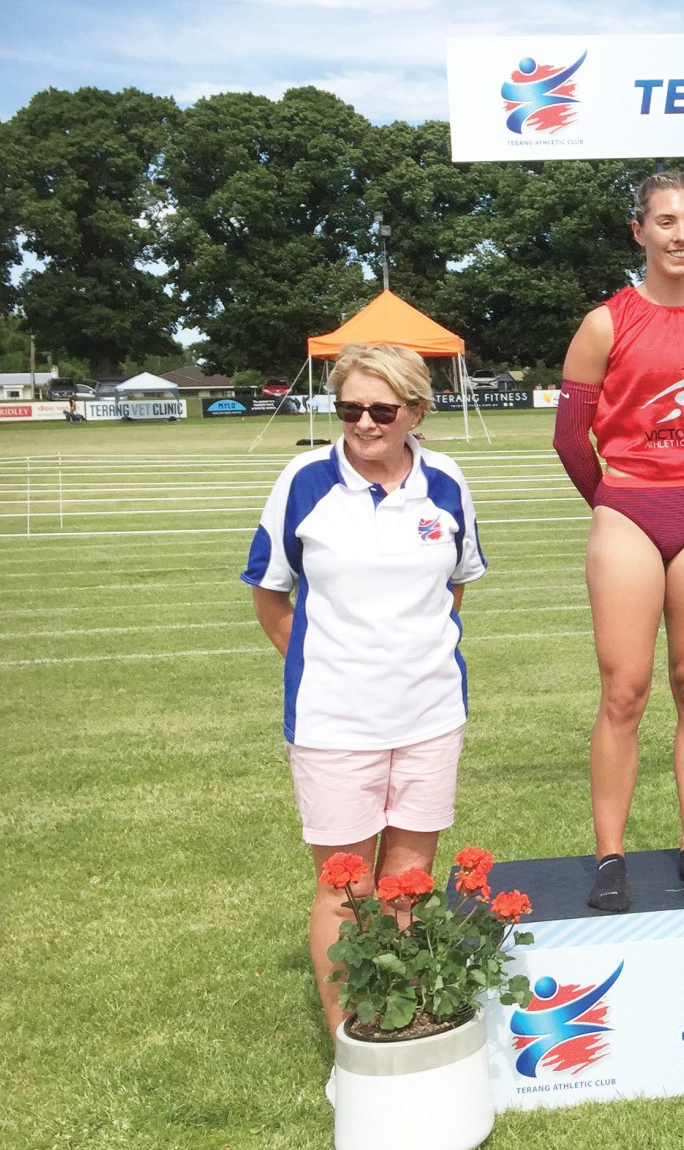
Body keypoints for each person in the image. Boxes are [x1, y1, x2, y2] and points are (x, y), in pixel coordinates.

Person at [244, 342, 487, 1043]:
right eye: (348, 408)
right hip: (334, 720)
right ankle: (349, 1041)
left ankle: (399, 1022)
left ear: (416, 410)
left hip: (431, 714)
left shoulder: (446, 481)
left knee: (409, 879)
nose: (364, 422)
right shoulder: (302, 480)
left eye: (382, 409)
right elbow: (270, 595)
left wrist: (408, 659)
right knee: (344, 888)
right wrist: (331, 665)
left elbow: (455, 586)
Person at [552, 170, 684, 912]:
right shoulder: (604, 323)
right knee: (624, 691)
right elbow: (570, 439)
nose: (681, 234)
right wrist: (616, 503)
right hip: (626, 512)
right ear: (638, 231)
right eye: (665, 220)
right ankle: (611, 854)